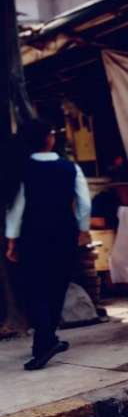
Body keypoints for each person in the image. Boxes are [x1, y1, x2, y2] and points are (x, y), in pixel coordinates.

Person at [4, 120, 92, 371]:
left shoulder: (23, 169)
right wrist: (82, 230)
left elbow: (17, 208)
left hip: (34, 236)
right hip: (64, 233)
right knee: (57, 287)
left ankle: (44, 344)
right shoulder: (69, 167)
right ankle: (48, 340)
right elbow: (84, 203)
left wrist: (12, 240)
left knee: (36, 289)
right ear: (49, 139)